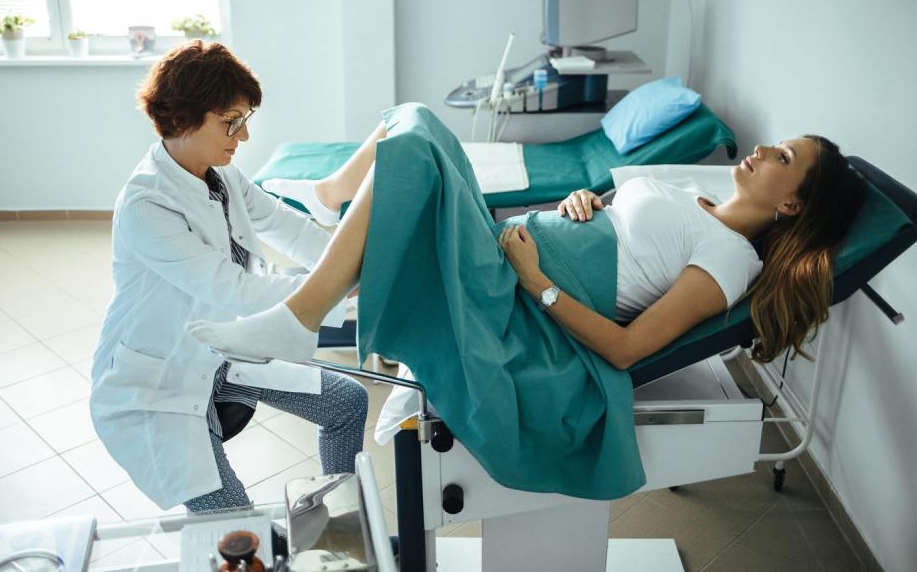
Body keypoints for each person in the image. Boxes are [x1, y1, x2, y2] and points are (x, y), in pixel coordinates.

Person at [186, 104, 866, 497]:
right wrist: (586, 200)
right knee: (414, 116)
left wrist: (537, 278)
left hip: (512, 294)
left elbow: (627, 347)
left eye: (782, 156)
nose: (763, 149)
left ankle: (298, 319)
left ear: (790, 203)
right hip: (512, 248)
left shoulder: (728, 259)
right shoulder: (697, 201)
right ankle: (333, 197)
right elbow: (619, 228)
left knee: (416, 152)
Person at [89, 41, 372, 513]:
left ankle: (340, 529)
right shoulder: (147, 205)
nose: (242, 137)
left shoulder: (222, 177)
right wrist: (338, 286)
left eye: (244, 121)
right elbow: (233, 291)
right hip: (157, 387)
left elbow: (288, 226)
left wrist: (353, 266)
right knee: (237, 530)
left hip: (216, 355)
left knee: (347, 403)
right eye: (231, 122)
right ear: (182, 118)